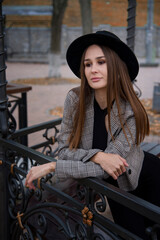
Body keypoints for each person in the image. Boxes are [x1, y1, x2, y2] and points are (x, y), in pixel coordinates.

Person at [25, 31, 160, 239]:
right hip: (117, 189)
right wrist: (99, 155)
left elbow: (106, 170)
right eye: (88, 64)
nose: (93, 70)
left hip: (146, 178)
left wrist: (53, 165)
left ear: (116, 68)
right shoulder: (75, 99)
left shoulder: (129, 111)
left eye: (101, 62)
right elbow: (64, 150)